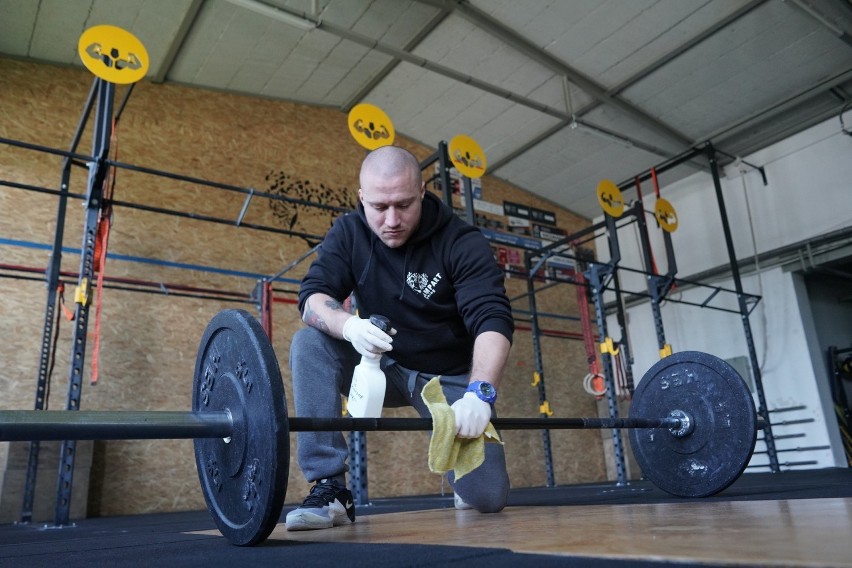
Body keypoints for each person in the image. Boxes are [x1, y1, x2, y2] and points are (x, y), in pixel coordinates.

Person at [286, 145, 513, 531]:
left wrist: (481, 393)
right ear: (362, 198)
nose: (391, 219)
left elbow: (493, 320)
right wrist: (350, 327)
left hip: (446, 379)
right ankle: (330, 487)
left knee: (488, 499)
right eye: (379, 207)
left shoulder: (461, 242)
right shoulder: (349, 232)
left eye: (404, 205)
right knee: (309, 343)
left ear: (422, 191)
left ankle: (465, 478)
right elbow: (313, 297)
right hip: (379, 362)